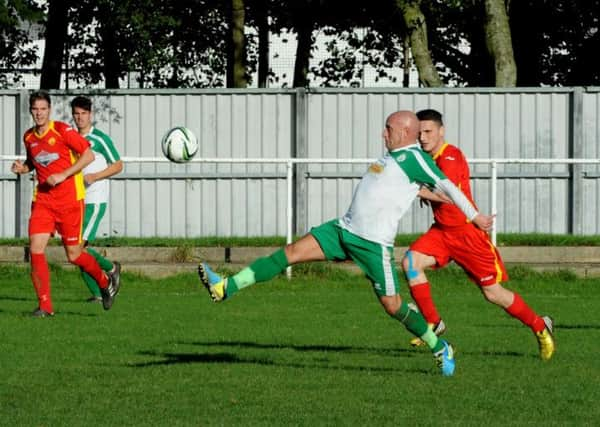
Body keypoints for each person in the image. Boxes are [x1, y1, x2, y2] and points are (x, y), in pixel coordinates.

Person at [198, 110, 495, 376]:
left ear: (404, 132)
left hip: (373, 245)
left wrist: (475, 216)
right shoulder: (392, 157)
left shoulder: (417, 158)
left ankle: (439, 346)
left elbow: (449, 189)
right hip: (342, 230)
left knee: (393, 305)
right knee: (289, 253)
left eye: (388, 128)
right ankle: (225, 287)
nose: (383, 133)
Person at [402, 108, 555, 360]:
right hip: (441, 232)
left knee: (493, 293)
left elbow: (447, 195)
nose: (423, 137)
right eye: (420, 133)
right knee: (410, 262)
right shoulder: (426, 157)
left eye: (428, 132)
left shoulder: (450, 157)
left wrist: (416, 191)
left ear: (442, 131)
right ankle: (433, 322)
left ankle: (540, 326)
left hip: (467, 235)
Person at [10, 90, 121, 316]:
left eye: (43, 109)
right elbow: (34, 161)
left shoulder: (62, 130)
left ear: (49, 110)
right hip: (43, 201)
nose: (39, 113)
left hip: (70, 201)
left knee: (74, 255)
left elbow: (88, 155)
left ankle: (104, 281)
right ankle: (45, 306)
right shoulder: (29, 137)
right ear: (30, 111)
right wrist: (23, 168)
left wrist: (64, 175)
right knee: (36, 249)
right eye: (35, 109)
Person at [71, 95, 123, 303]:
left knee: (78, 250)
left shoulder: (100, 139)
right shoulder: (71, 138)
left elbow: (118, 165)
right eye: (76, 113)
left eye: (84, 113)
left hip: (94, 201)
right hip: (76, 201)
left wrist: (95, 176)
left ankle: (109, 275)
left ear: (90, 115)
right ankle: (107, 275)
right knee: (75, 249)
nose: (80, 117)